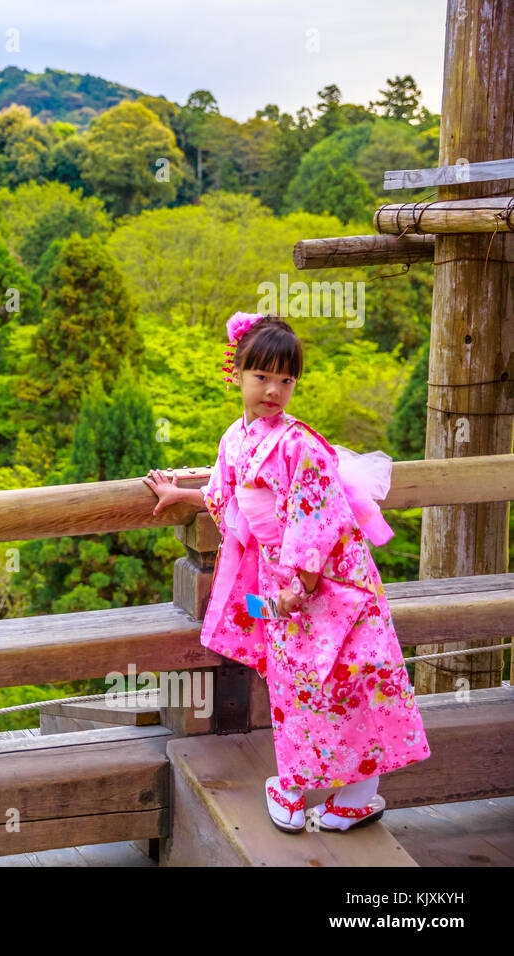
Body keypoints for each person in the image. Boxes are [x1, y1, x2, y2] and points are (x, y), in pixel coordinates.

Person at [142, 312, 430, 833]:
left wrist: (304, 581)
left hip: (332, 579)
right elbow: (227, 497)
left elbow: (317, 516)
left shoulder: (300, 445)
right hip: (282, 584)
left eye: (286, 380)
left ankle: (358, 794)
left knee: (355, 678)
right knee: (295, 682)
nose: (273, 390)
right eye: (262, 377)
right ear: (237, 374)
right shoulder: (237, 437)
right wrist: (180, 495)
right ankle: (295, 784)